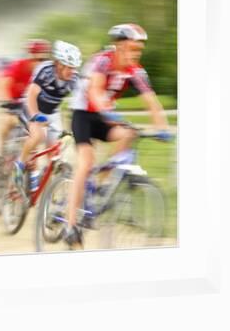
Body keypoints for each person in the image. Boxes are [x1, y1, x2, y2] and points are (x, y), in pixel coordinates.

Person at [64, 23, 172, 249]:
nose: (137, 53)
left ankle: (103, 185)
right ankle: (71, 225)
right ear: (120, 46)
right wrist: (108, 111)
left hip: (104, 116)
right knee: (85, 162)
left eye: (139, 49)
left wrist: (163, 128)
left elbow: (151, 101)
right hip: (83, 114)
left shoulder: (136, 71)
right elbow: (95, 90)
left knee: (129, 134)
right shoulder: (103, 61)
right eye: (133, 48)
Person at [13, 41, 82, 191]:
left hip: (52, 112)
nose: (72, 71)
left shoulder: (75, 79)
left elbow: (79, 105)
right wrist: (35, 116)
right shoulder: (45, 70)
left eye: (74, 67)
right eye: (69, 67)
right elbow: (31, 95)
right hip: (33, 106)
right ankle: (20, 164)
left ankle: (47, 187)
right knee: (38, 136)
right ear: (58, 64)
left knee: (54, 151)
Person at [0, 39, 52, 157]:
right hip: (15, 103)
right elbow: (3, 84)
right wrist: (8, 101)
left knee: (41, 132)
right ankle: (1, 152)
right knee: (8, 121)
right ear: (29, 57)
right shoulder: (18, 66)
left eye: (44, 60)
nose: (40, 63)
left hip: (31, 106)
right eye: (37, 59)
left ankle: (30, 161)